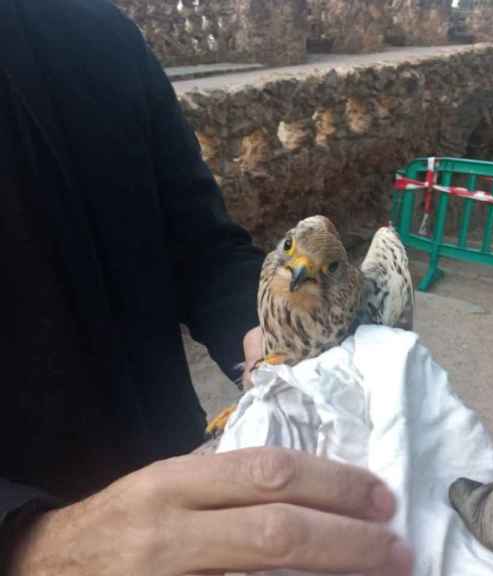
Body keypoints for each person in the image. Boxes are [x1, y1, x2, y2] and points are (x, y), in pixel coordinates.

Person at [0, 1, 411, 574]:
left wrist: (268, 328)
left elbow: (202, 247)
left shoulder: (100, 35)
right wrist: (28, 542)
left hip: (189, 492)